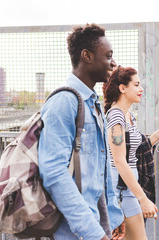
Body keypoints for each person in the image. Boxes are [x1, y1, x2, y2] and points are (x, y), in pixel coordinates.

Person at [38, 23, 123, 240]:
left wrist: (114, 216)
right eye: (108, 56)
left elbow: (99, 172)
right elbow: (55, 173)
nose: (113, 63)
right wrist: (94, 233)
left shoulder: (93, 104)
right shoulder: (63, 102)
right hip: (73, 231)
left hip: (95, 225)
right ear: (87, 56)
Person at [103, 66, 159, 240]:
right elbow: (119, 161)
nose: (141, 89)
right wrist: (142, 199)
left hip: (128, 190)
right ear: (122, 88)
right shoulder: (116, 118)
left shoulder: (128, 116)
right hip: (121, 192)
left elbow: (132, 151)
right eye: (136, 84)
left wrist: (158, 135)